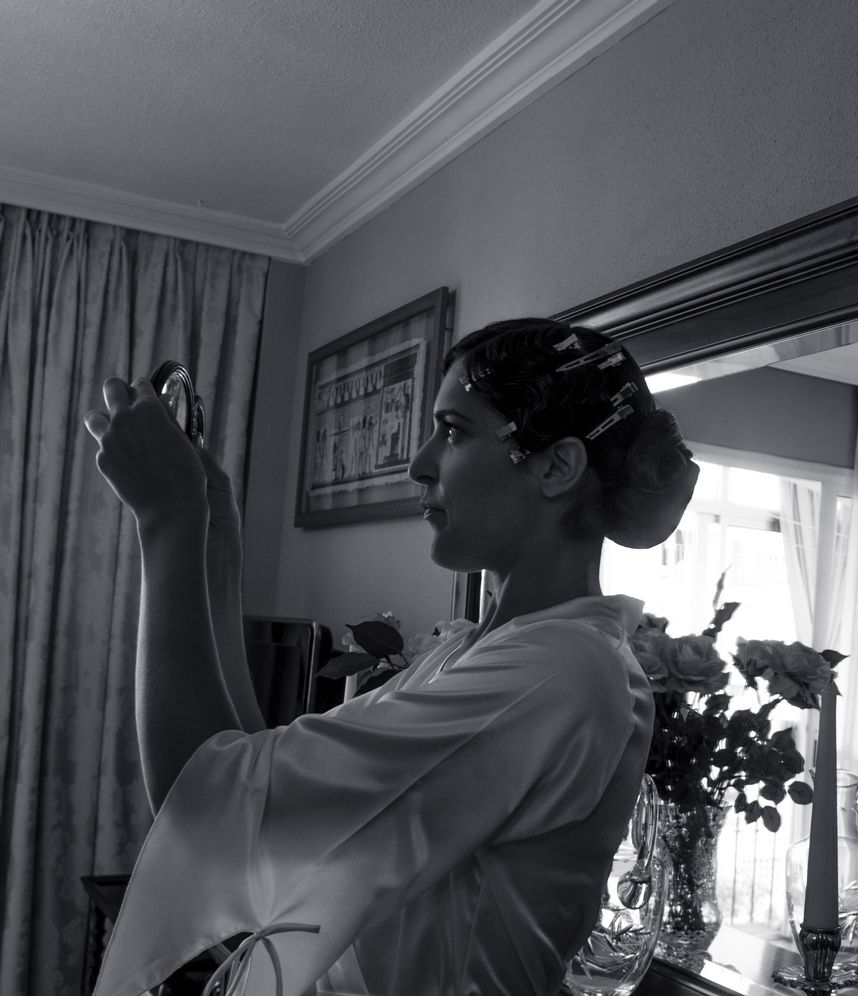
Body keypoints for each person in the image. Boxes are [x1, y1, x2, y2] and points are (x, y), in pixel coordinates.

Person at [83, 319, 699, 996]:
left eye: (455, 430)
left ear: (557, 466)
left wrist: (167, 520)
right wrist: (218, 553)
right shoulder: (477, 651)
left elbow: (204, 810)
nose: (419, 462)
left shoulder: (560, 674)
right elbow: (261, 790)